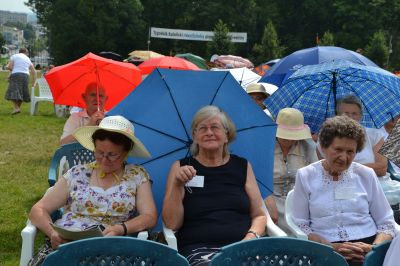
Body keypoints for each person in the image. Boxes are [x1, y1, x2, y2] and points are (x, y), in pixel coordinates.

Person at [29, 115, 157, 265]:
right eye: (99, 152)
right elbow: (38, 209)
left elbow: (149, 217)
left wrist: (121, 229)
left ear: (126, 152)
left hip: (113, 250)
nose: (104, 159)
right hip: (68, 245)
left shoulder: (137, 175)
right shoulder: (77, 173)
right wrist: (52, 233)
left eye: (112, 155)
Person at [162, 105, 267, 265]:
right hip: (199, 249)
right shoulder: (181, 167)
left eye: (215, 127)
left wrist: (250, 238)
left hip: (243, 245)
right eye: (202, 128)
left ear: (227, 135)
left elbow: (259, 215)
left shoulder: (242, 166)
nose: (209, 132)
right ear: (195, 136)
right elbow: (171, 223)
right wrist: (177, 184)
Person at [292, 115, 396, 266]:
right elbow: (301, 224)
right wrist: (330, 248)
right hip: (325, 249)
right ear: (324, 147)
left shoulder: (365, 174)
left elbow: (386, 222)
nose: (344, 157)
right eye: (338, 149)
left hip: (368, 247)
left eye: (350, 151)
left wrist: (373, 248)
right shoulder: (306, 175)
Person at [265, 108, 318, 233]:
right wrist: (268, 200)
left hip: (300, 201)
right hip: (270, 199)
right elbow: (258, 179)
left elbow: (315, 178)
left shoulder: (308, 147)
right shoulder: (265, 146)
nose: (288, 139)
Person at [317, 94, 388, 177]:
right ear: (337, 115)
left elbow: (382, 168)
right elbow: (328, 168)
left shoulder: (376, 134)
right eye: (346, 113)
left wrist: (346, 167)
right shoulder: (326, 136)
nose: (350, 117)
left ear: (361, 116)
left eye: (354, 113)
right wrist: (366, 168)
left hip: (377, 181)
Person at [5, 47, 37, 115]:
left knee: (12, 91)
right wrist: (34, 82)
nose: (28, 54)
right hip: (26, 76)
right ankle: (17, 109)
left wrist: (12, 69)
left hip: (16, 75)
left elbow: (10, 67)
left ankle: (16, 108)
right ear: (25, 52)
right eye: (27, 53)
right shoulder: (28, 59)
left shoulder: (14, 56)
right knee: (22, 92)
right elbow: (34, 72)